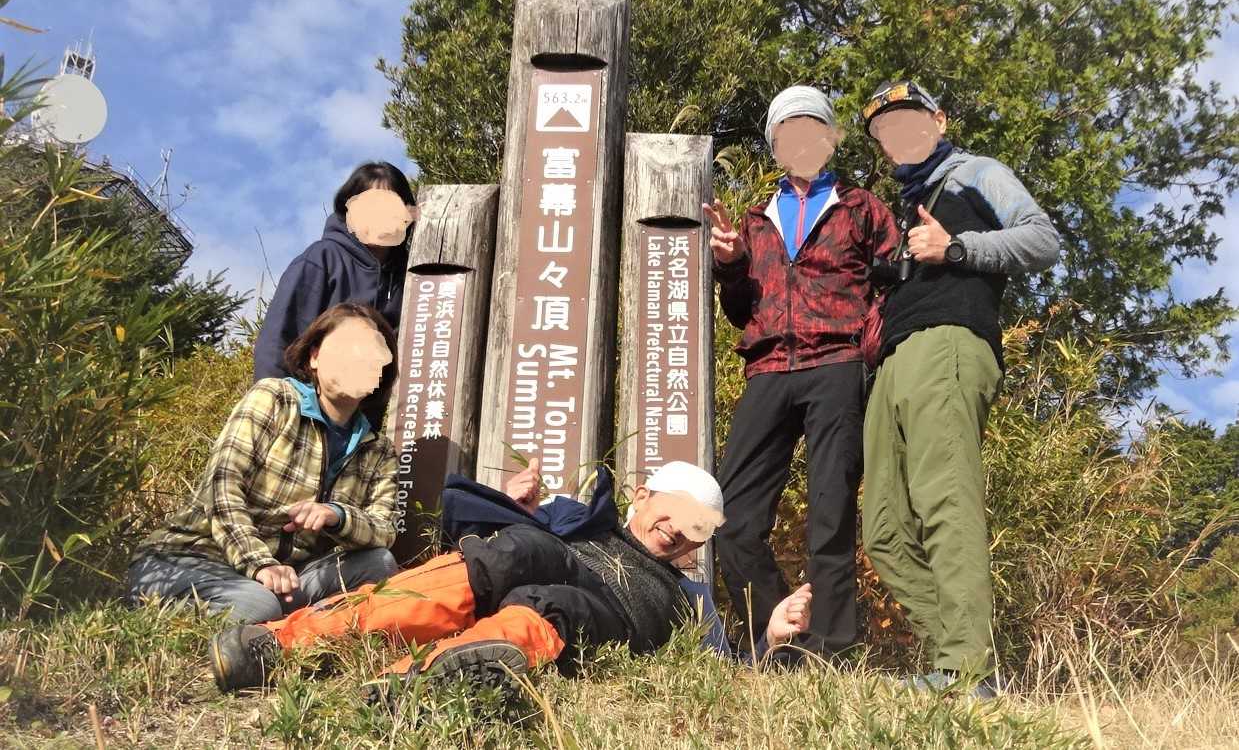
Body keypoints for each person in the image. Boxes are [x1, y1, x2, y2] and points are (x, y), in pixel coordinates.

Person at [208, 460, 814, 695]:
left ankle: (415, 687)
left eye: (697, 527)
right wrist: (510, 502)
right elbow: (465, 521)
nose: (679, 529)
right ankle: (286, 644)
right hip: (553, 557)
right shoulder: (577, 518)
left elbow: (728, 673)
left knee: (552, 605)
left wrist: (771, 639)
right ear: (641, 495)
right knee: (520, 552)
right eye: (675, 508)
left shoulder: (692, 596)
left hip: (621, 617)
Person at [859, 79, 1060, 698]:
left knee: (946, 501)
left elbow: (1042, 240)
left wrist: (956, 248)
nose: (898, 135)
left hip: (948, 345)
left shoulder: (977, 173)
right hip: (894, 361)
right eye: (885, 131)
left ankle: (967, 668)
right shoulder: (906, 205)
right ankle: (953, 659)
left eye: (908, 120)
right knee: (883, 529)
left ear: (939, 121)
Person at [704, 86, 898, 658]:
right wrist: (730, 264)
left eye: (813, 128)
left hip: (837, 364)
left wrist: (871, 342)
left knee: (830, 514)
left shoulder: (861, 208)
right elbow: (740, 309)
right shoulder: (755, 220)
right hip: (768, 368)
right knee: (731, 516)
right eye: (788, 131)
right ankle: (777, 641)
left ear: (830, 138)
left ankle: (830, 649)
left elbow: (896, 283)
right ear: (774, 145)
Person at [128, 302, 403, 624]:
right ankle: (162, 603)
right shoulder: (274, 398)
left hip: (285, 576)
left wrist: (337, 516)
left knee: (379, 563)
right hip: (193, 558)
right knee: (258, 606)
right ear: (314, 357)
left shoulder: (378, 450)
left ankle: (289, 623)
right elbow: (223, 488)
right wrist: (260, 563)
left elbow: (384, 530)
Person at [253, 162, 416, 397]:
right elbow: (277, 341)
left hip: (367, 415)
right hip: (309, 404)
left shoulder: (411, 274)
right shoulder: (321, 259)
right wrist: (276, 402)